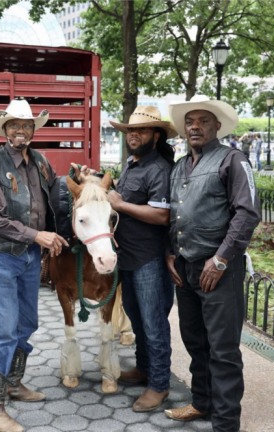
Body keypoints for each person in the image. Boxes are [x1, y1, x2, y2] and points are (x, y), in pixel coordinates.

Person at [164, 94, 261, 431]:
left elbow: (247, 214)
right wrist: (170, 253)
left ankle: (225, 423)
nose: (195, 126)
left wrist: (220, 259)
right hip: (187, 268)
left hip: (219, 269)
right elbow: (173, 215)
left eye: (203, 121)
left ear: (217, 126)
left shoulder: (233, 160)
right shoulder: (179, 166)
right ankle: (202, 403)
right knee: (195, 340)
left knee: (223, 349)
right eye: (190, 121)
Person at [0, 98, 69, 432]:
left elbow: (57, 193)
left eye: (27, 126)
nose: (21, 131)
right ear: (4, 130)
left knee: (27, 323)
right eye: (15, 126)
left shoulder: (40, 161)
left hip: (29, 257)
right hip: (1, 256)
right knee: (3, 328)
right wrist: (36, 236)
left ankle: (12, 382)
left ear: (32, 130)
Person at [107, 105, 176, 412]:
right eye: (130, 131)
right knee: (136, 319)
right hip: (128, 257)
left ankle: (159, 385)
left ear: (155, 135)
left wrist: (120, 204)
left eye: (141, 130)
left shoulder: (158, 168)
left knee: (153, 324)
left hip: (150, 259)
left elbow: (162, 215)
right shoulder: (132, 164)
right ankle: (144, 368)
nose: (133, 135)